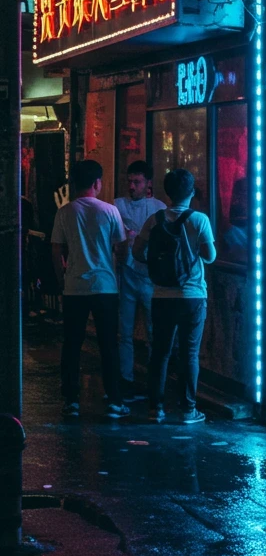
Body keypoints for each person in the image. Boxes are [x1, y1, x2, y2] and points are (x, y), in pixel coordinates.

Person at [134, 168, 216, 424]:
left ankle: (154, 409)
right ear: (191, 193)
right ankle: (188, 410)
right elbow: (211, 256)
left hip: (161, 296)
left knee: (160, 352)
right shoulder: (199, 220)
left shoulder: (154, 220)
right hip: (192, 296)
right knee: (189, 353)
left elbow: (137, 253)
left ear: (166, 193)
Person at [51, 159, 130, 419]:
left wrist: (61, 279)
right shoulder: (109, 211)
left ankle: (71, 400)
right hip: (106, 287)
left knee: (72, 344)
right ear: (97, 183)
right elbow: (121, 247)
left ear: (74, 184)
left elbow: (56, 249)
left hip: (74, 287)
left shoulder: (65, 212)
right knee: (108, 345)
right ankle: (114, 401)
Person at [113, 160, 166, 400]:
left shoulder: (158, 208)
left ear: (148, 184)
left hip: (149, 278)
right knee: (124, 332)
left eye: (137, 182)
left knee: (154, 332)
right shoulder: (116, 206)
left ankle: (156, 381)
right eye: (129, 181)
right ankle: (125, 379)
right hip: (126, 275)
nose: (132, 186)